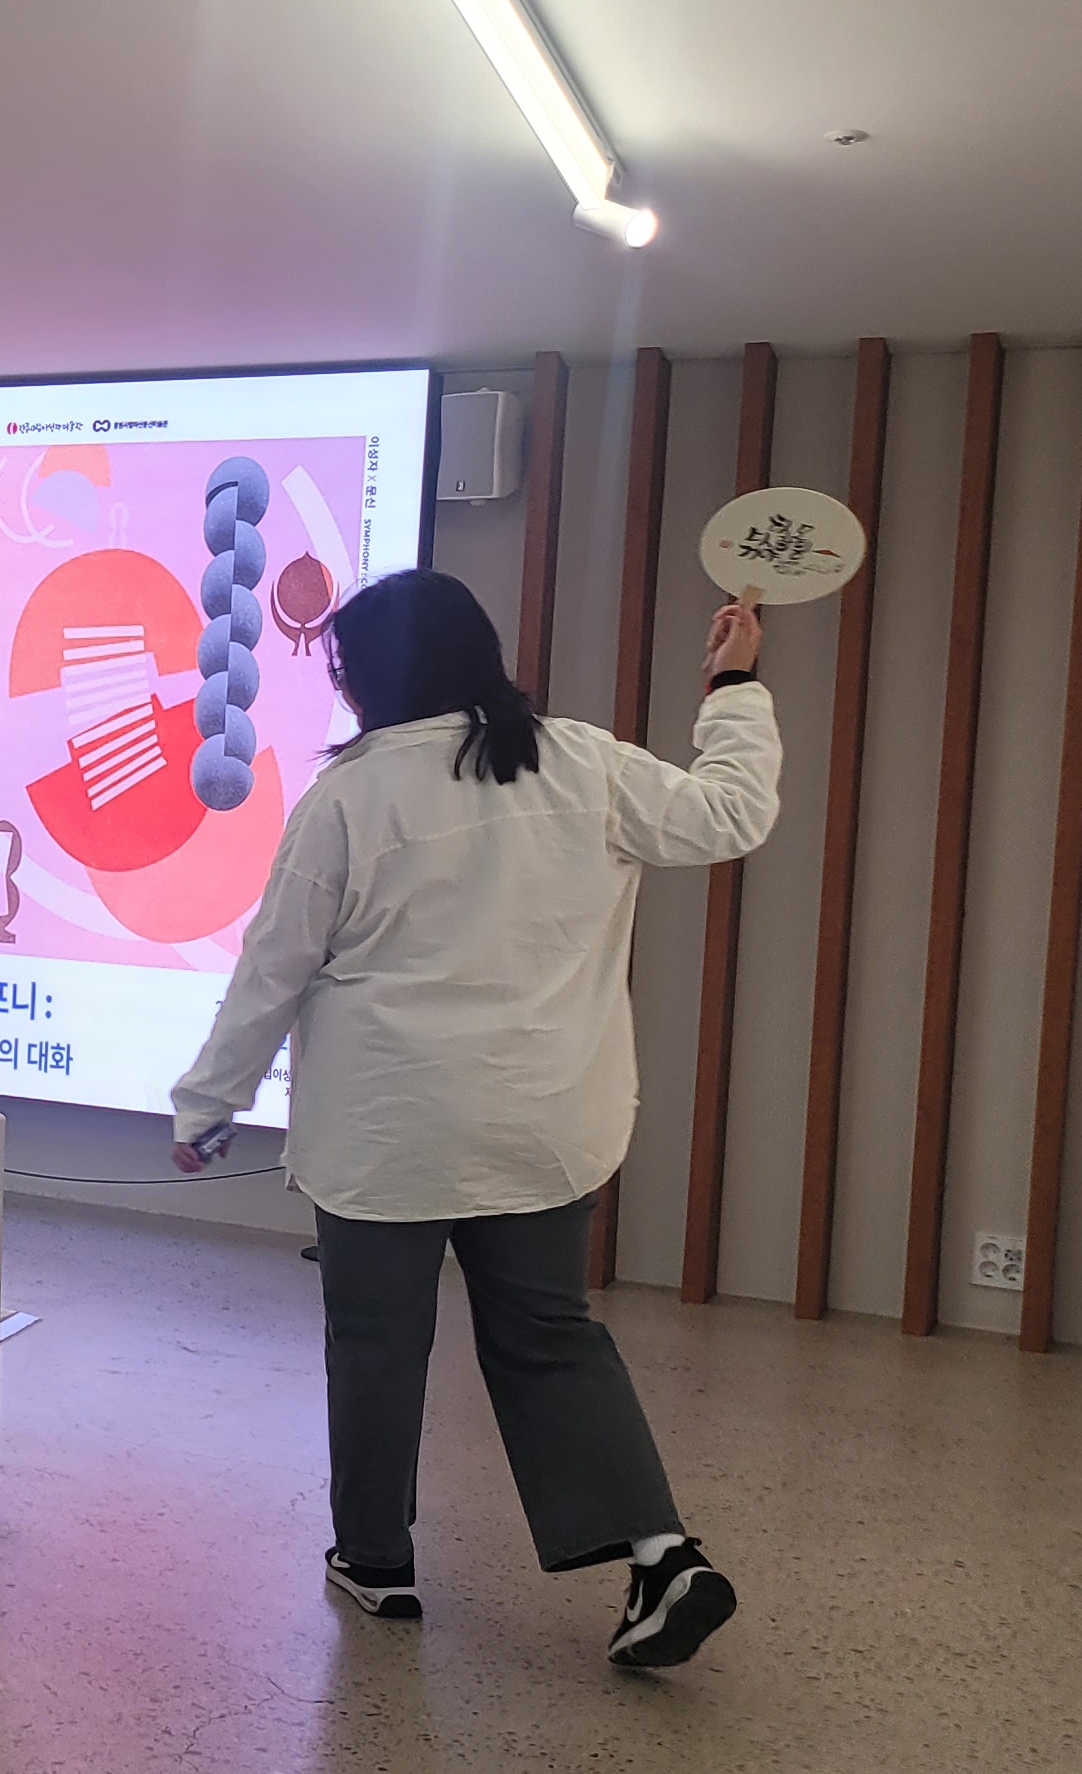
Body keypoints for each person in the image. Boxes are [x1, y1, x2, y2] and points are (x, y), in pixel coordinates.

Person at [169, 567, 779, 1670]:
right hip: (545, 1122)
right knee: (551, 1335)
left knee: (377, 1345)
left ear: (372, 678)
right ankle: (662, 1555)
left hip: (389, 1131)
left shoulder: (350, 797)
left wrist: (209, 1102)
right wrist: (734, 687)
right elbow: (732, 814)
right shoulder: (585, 762)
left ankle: (377, 1560)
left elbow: (274, 969)